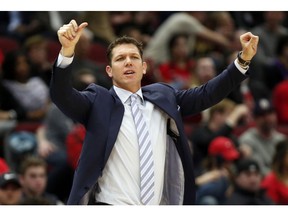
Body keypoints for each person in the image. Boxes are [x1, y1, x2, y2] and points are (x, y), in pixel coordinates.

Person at [50, 19, 259, 205]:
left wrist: (242, 61)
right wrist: (67, 52)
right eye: (120, 58)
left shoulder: (164, 96)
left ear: (143, 67)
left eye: (134, 57)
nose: (128, 61)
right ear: (109, 71)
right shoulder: (98, 101)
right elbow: (62, 96)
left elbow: (206, 94)